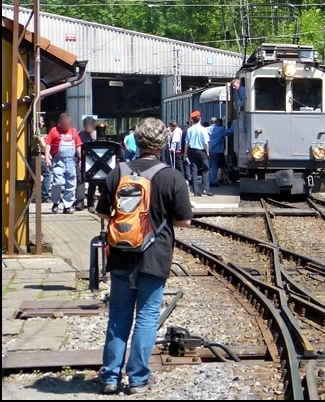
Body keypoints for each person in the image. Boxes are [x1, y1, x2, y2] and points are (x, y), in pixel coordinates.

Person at [97, 117, 192, 395]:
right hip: (155, 255)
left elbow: (103, 212)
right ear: (162, 144)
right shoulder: (171, 176)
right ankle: (138, 379)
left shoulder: (119, 171)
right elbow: (184, 220)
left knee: (118, 316)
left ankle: (110, 377)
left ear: (136, 141)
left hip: (121, 253)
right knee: (147, 316)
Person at [45, 113, 82, 214]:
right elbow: (48, 144)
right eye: (64, 124)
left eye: (68, 124)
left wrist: (81, 158)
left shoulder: (74, 132)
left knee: (71, 184)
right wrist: (47, 156)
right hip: (58, 161)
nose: (66, 126)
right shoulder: (54, 131)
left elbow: (78, 146)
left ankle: (67, 206)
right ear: (60, 123)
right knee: (57, 182)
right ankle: (55, 202)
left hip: (71, 162)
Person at [183, 111, 211, 196]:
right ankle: (205, 189)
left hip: (192, 151)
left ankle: (195, 191)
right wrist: (207, 152)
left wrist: (185, 153)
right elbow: (206, 143)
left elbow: (186, 142)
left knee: (193, 171)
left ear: (193, 120)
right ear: (200, 119)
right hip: (201, 151)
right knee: (205, 169)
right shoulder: (203, 129)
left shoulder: (189, 129)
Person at [207, 118, 233, 187]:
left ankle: (209, 180)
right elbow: (230, 132)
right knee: (215, 166)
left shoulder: (207, 129)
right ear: (216, 122)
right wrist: (234, 124)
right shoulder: (220, 130)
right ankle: (213, 181)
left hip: (209, 150)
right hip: (217, 150)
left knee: (210, 165)